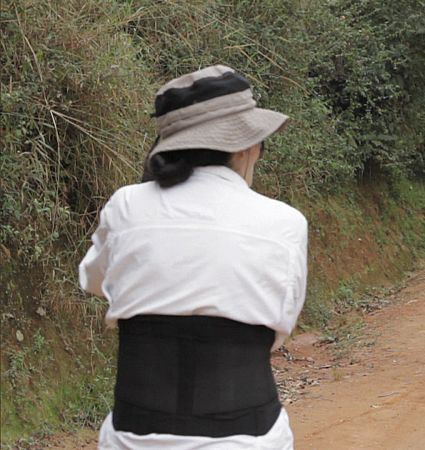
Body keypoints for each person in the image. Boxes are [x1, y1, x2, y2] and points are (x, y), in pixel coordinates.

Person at [79, 65, 307, 449]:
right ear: (246, 146)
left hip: (133, 438)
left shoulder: (126, 206)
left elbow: (94, 281)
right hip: (247, 438)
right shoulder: (285, 223)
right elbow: (278, 325)